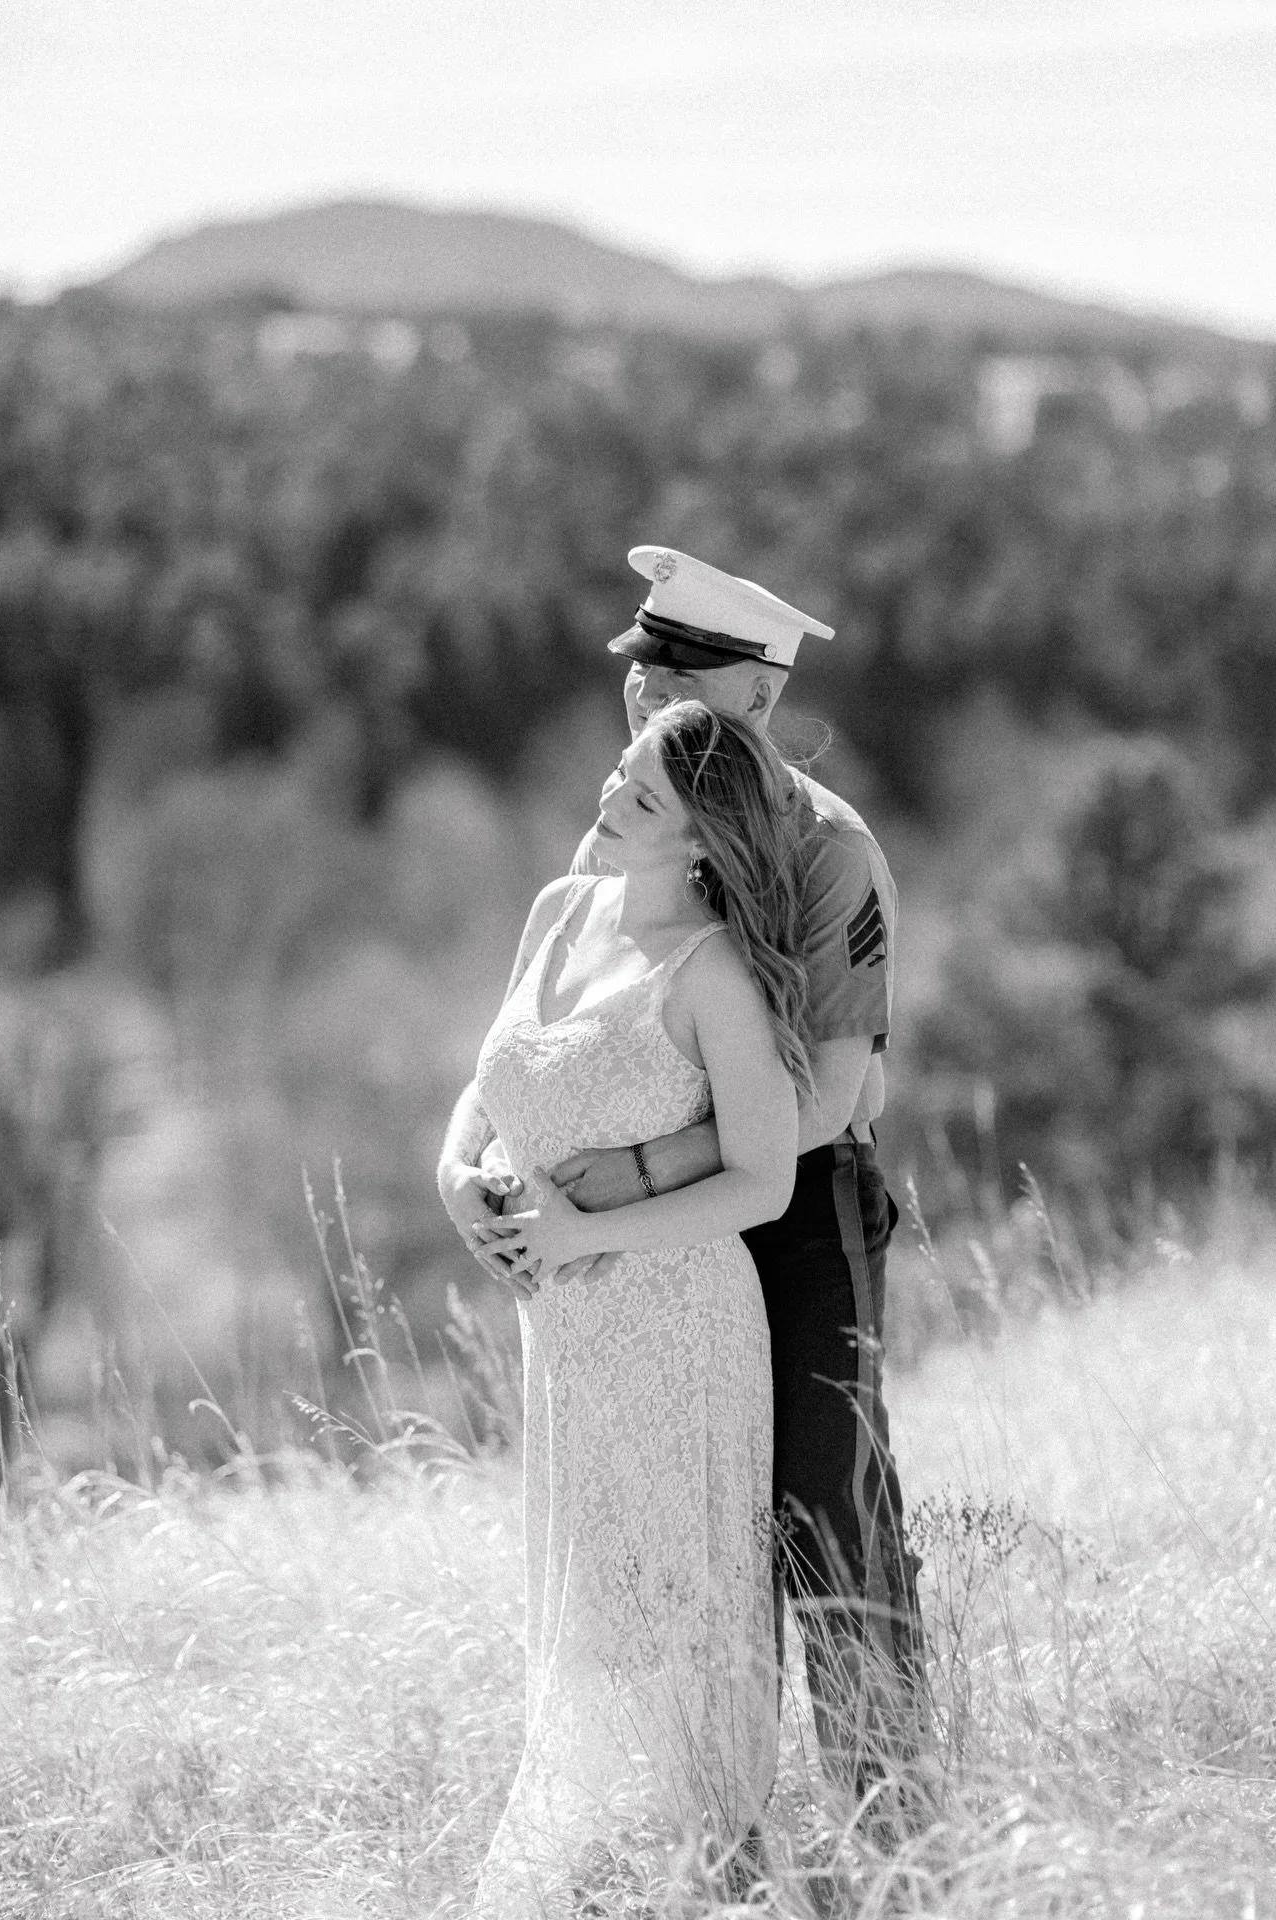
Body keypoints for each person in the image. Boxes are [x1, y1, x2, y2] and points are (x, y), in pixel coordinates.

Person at [441, 546, 929, 1820]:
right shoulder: (638, 824)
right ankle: (707, 1811)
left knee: (827, 1515)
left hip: (801, 1213)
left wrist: (636, 1174)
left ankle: (895, 1832)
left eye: (673, 679)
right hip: (642, 1247)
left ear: (757, 698)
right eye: (638, 675)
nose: (643, 705)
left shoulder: (829, 853)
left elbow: (833, 1095)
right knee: (679, 1539)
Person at [442, 701, 812, 1914]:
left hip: (678, 1324)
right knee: (586, 1622)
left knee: (675, 1628)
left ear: (702, 838)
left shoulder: (712, 975)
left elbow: (764, 1179)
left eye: (644, 797)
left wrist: (588, 1229)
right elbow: (485, 1082)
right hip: (567, 1336)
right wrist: (459, 1181)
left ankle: (714, 1881)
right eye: (621, 772)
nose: (612, 797)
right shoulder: (560, 907)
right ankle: (611, 1885)